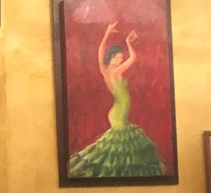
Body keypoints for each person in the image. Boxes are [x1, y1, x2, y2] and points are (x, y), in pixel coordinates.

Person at [68, 20, 165, 178]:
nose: (120, 60)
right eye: (118, 57)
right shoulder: (115, 72)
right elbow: (133, 57)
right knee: (119, 150)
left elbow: (100, 52)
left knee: (122, 151)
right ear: (112, 58)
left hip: (118, 113)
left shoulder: (106, 70)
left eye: (121, 58)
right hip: (119, 114)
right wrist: (128, 43)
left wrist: (107, 33)